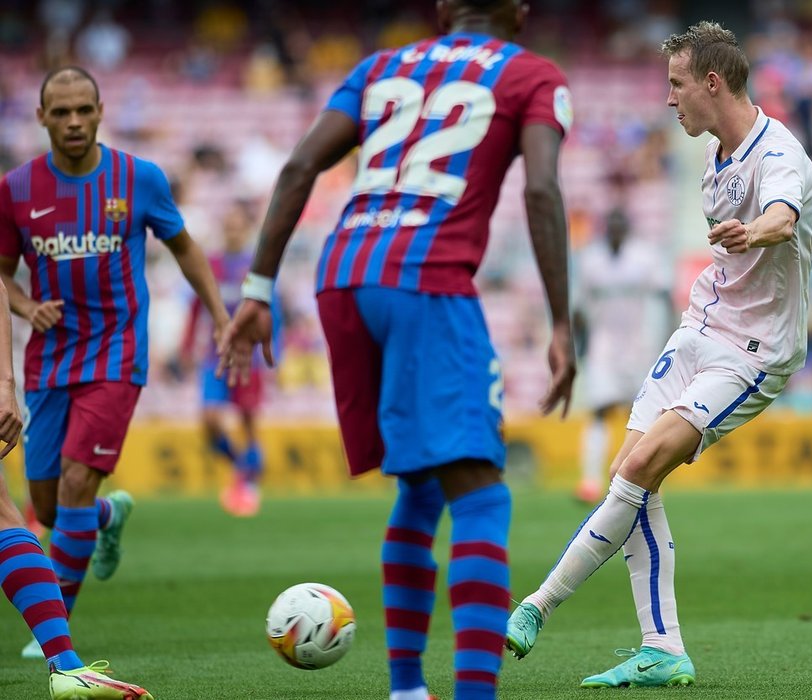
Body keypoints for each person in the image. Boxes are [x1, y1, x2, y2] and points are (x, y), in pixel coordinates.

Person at [218, 1, 576, 699]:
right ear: (521, 10)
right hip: (426, 279)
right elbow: (539, 186)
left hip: (342, 275)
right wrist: (562, 320)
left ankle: (407, 690)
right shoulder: (532, 74)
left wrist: (257, 290)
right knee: (480, 494)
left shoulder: (382, 64)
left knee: (418, 483)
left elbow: (297, 167)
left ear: (444, 9)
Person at [506, 20, 812, 688]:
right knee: (629, 470)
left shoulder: (781, 155)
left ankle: (538, 604)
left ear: (711, 83)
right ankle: (663, 646)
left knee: (642, 462)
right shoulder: (713, 158)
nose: (669, 99)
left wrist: (755, 231)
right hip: (700, 327)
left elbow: (784, 217)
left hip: (754, 350)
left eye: (676, 84)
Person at [0, 66, 229, 658]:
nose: (73, 122)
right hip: (48, 358)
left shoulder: (139, 179)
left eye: (83, 110)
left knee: (74, 484)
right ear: (42, 117)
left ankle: (55, 632)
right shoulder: (17, 190)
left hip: (115, 352)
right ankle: (108, 515)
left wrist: (222, 318)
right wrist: (26, 305)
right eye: (60, 112)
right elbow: (1, 276)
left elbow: (184, 247)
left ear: (102, 111)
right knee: (47, 505)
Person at [0, 281, 153, 698]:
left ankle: (65, 664)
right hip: (56, 363)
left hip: (104, 357)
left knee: (47, 502)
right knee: (29, 513)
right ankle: (66, 667)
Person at [181, 201, 277, 517]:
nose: (233, 230)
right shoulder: (212, 264)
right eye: (229, 225)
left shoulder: (256, 265)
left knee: (248, 421)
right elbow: (197, 307)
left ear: (246, 229)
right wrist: (185, 345)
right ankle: (242, 468)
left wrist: (276, 351)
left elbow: (272, 310)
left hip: (249, 357)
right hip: (216, 355)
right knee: (209, 420)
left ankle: (247, 485)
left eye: (238, 225)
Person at [573, 207, 672, 503]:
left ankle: (645, 479)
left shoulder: (644, 257)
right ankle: (590, 480)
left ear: (627, 228)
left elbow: (664, 296)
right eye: (611, 225)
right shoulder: (590, 260)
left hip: (638, 346)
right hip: (603, 346)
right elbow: (579, 307)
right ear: (605, 228)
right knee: (600, 410)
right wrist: (579, 345)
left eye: (620, 224)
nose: (615, 230)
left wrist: (669, 339)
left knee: (643, 415)